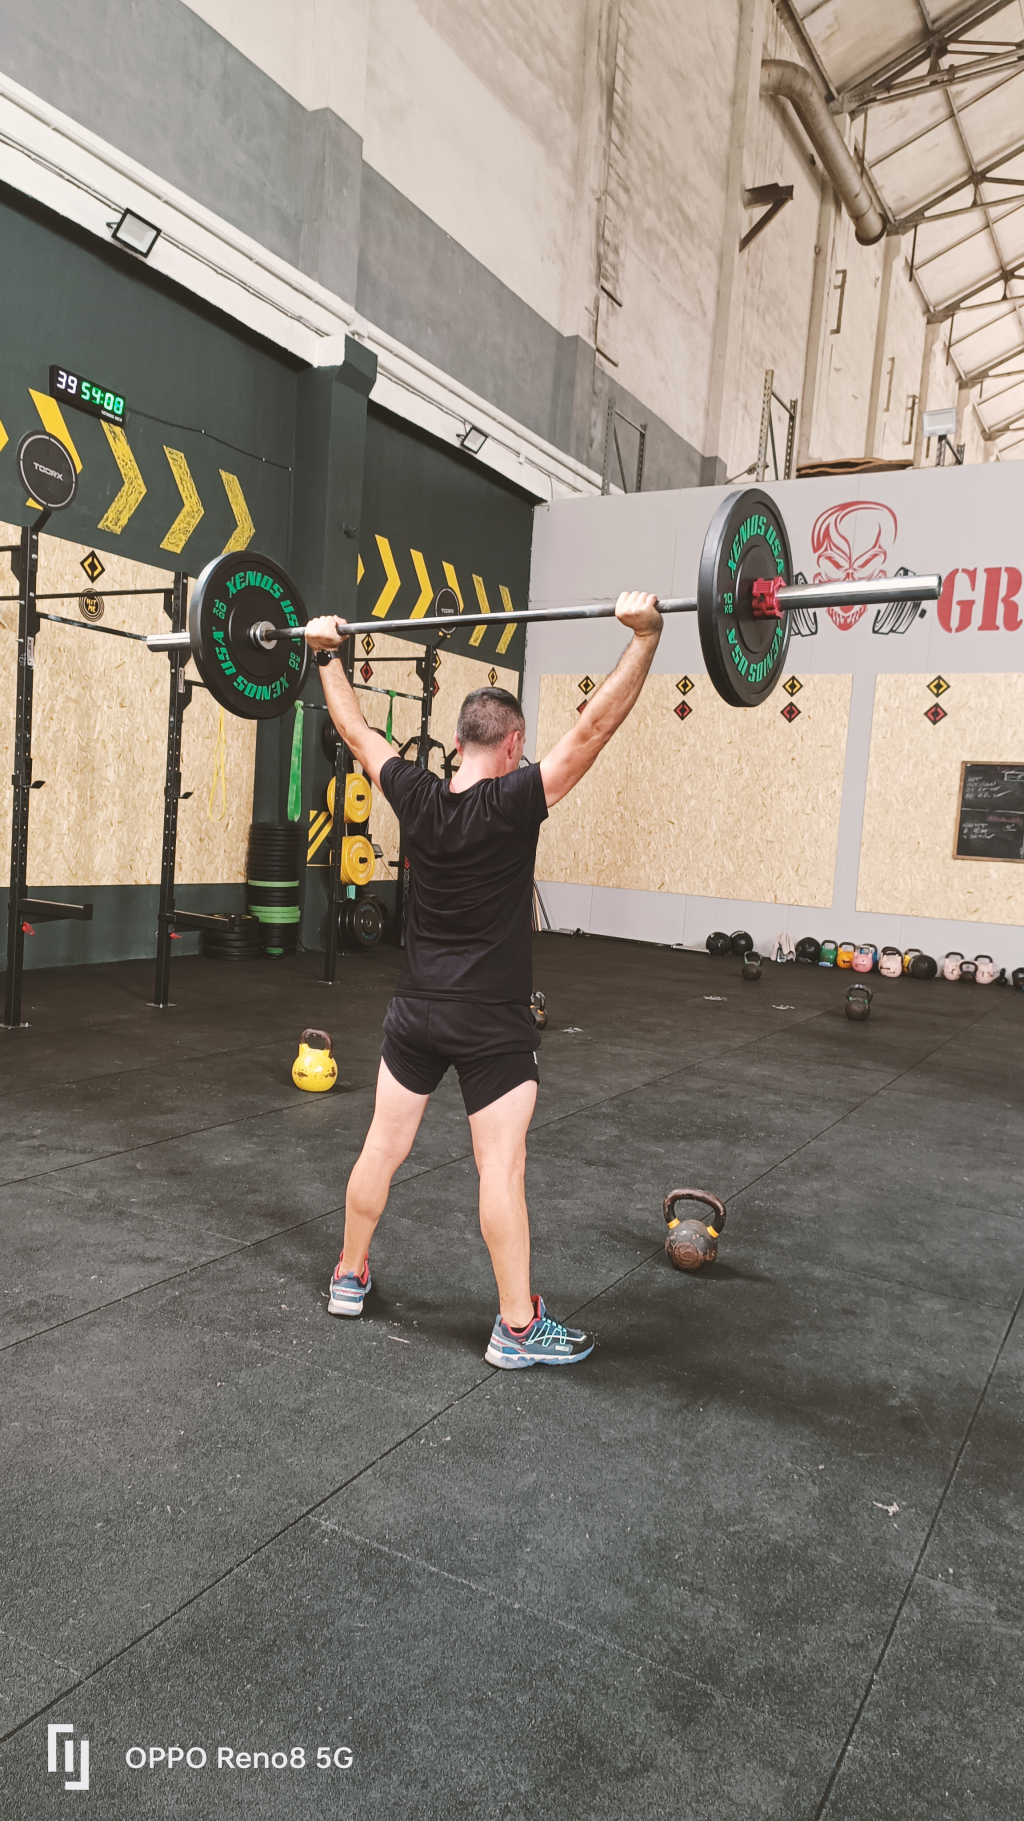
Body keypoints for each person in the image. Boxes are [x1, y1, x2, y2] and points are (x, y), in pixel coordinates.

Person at [304, 591, 663, 1367]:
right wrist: (645, 636)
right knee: (501, 1167)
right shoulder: (513, 801)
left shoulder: (414, 793)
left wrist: (326, 653)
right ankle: (517, 1327)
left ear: (461, 740)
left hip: (414, 1012)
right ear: (512, 744)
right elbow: (593, 729)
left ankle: (348, 1274)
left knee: (382, 1146)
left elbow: (356, 731)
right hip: (490, 1020)